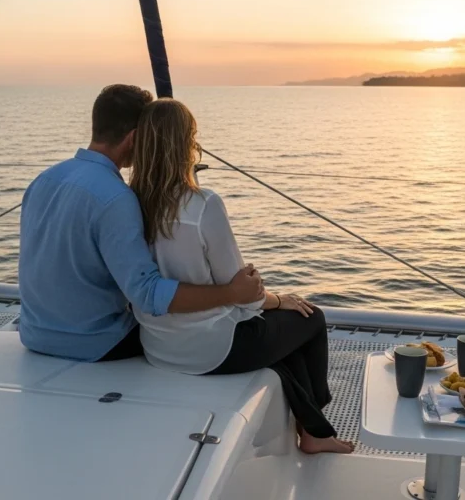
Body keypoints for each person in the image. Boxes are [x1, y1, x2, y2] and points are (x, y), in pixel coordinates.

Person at [130, 98, 354, 455]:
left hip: (158, 347)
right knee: (310, 317)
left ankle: (315, 430)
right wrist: (281, 300)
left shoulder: (129, 203)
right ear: (186, 144)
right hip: (212, 350)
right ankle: (317, 426)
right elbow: (244, 292)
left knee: (281, 342)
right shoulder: (202, 204)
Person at [18, 85, 264, 362]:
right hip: (95, 343)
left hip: (33, 335)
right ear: (136, 138)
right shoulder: (115, 197)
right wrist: (231, 292)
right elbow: (147, 294)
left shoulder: (44, 179)